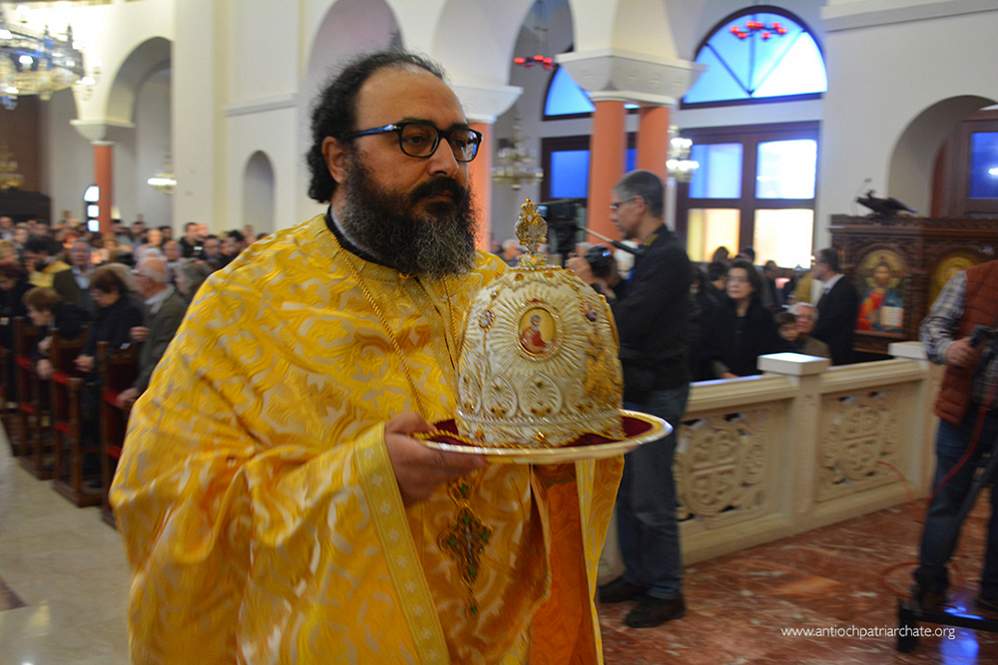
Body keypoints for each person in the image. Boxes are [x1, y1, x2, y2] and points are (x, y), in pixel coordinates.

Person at [111, 50, 621, 663]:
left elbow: (556, 443)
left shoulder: (498, 291)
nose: (446, 163)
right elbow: (161, 499)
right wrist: (361, 481)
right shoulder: (244, 303)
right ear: (338, 159)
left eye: (458, 142)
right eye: (415, 139)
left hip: (509, 635)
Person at [568, 169, 691, 628]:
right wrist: (615, 284)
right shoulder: (655, 252)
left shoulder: (669, 256)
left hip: (659, 388)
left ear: (639, 204)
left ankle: (667, 589)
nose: (613, 215)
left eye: (617, 206)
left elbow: (633, 323)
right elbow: (640, 306)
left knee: (653, 497)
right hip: (638, 386)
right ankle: (638, 576)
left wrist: (589, 288)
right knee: (628, 492)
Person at [912, 260, 998, 610]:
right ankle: (930, 582)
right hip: (964, 414)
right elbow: (933, 326)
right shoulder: (972, 279)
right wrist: (949, 348)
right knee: (947, 500)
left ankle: (993, 591)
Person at [115, 256, 187, 407]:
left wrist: (137, 388)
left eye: (138, 274)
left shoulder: (171, 309)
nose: (135, 278)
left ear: (148, 281)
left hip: (165, 387)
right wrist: (141, 337)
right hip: (151, 380)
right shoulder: (153, 304)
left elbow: (161, 354)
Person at [704, 260, 788, 378]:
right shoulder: (718, 314)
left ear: (753, 286)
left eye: (741, 280)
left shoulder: (764, 317)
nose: (734, 284)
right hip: (720, 381)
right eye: (731, 279)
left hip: (754, 380)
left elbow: (772, 350)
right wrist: (723, 372)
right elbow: (708, 350)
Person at [811, 247, 859, 365]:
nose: (812, 267)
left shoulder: (844, 290)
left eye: (815, 262)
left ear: (825, 266)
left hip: (835, 354)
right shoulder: (832, 287)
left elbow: (832, 323)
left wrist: (809, 333)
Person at [856, 257, 904, 332]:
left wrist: (880, 318)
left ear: (890, 275)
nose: (882, 275)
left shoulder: (895, 296)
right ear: (873, 274)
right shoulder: (866, 295)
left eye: (885, 272)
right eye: (878, 272)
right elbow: (860, 317)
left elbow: (898, 319)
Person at [52, 239, 96, 315]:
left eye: (84, 251)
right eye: (76, 251)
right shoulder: (60, 277)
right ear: (70, 255)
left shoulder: (101, 274)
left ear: (90, 254)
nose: (80, 254)